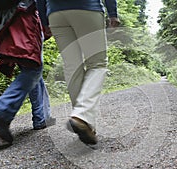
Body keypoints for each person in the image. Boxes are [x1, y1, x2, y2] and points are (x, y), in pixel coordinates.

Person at [36, 0, 120, 145]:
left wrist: (44, 20)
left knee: (72, 67)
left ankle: (84, 122)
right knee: (97, 64)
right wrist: (113, 13)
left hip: (55, 14)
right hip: (87, 8)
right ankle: (81, 115)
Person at [0, 0, 55, 144]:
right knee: (33, 68)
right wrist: (46, 19)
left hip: (2, 18)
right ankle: (0, 108)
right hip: (24, 14)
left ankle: (41, 117)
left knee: (30, 65)